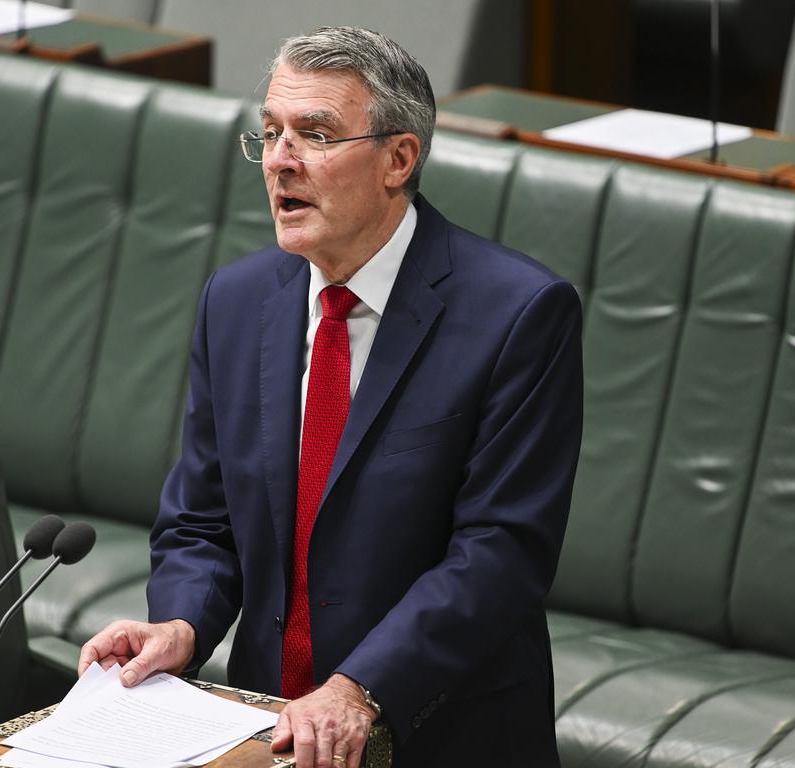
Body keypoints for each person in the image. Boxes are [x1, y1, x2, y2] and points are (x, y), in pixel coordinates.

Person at [79, 26, 582, 768]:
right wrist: (181, 624)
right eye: (271, 133)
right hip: (274, 728)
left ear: (398, 159)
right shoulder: (239, 300)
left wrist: (362, 686)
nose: (280, 160)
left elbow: (500, 553)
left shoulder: (519, 314)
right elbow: (202, 519)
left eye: (314, 134)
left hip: (443, 733)